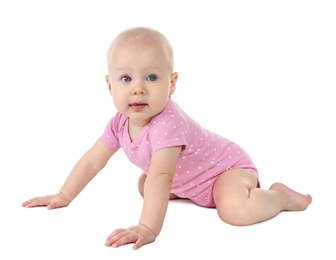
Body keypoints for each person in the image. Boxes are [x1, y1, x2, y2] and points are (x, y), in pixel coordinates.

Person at [22, 26, 312, 250]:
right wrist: (63, 195)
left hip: (225, 171)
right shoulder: (119, 122)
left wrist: (148, 227)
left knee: (235, 211)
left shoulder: (167, 123)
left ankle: (281, 197)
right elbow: (91, 161)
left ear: (172, 83)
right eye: (126, 79)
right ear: (109, 85)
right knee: (144, 186)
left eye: (151, 78)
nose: (138, 89)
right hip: (186, 179)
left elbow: (161, 175)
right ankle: (187, 191)